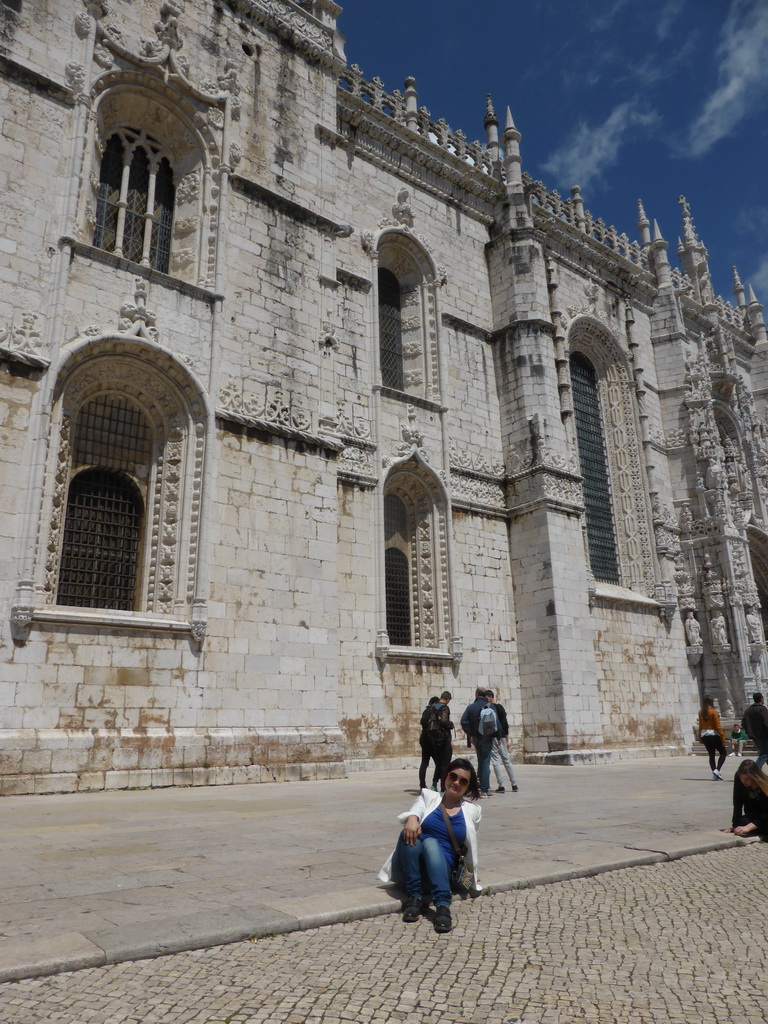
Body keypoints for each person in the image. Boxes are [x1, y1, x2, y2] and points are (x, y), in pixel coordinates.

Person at [378, 757, 482, 934]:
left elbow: (468, 847)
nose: (456, 782)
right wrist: (412, 818)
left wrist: (470, 875)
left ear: (468, 786)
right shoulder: (429, 796)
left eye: (463, 781)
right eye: (453, 776)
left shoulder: (473, 811)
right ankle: (416, 897)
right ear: (446, 776)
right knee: (410, 835)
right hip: (411, 871)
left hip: (442, 872)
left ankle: (441, 905)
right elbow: (415, 810)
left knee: (432, 844)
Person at [460, 688, 498, 798]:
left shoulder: (471, 707)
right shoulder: (490, 706)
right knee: (485, 761)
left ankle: (479, 786)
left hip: (476, 737)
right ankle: (484, 788)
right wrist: (498, 736)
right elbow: (497, 723)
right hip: (487, 737)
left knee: (480, 760)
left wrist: (470, 733)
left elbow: (463, 721)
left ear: (476, 694)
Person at [723, 759, 768, 838]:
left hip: (765, 816)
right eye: (742, 778)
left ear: (754, 777)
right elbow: (737, 802)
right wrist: (736, 827)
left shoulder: (764, 785)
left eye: (747, 779)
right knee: (742, 821)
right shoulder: (739, 777)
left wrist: (749, 827)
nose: (744, 781)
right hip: (754, 816)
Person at [418, 691, 454, 790]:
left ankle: (429, 784)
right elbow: (444, 722)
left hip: (432, 739)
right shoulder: (444, 708)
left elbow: (424, 722)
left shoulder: (431, 708)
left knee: (425, 762)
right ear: (447, 699)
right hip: (443, 739)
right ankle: (443, 786)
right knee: (444, 763)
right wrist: (450, 724)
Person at [485, 689, 518, 793]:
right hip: (503, 736)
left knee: (495, 760)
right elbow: (505, 724)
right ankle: (514, 784)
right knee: (506, 759)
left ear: (490, 697)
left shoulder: (491, 708)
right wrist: (507, 740)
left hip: (495, 736)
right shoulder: (501, 708)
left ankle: (501, 785)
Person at [698, 695, 727, 780]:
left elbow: (700, 725)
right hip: (713, 734)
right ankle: (717, 770)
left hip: (704, 734)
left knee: (711, 755)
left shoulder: (700, 712)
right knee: (723, 752)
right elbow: (717, 726)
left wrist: (699, 736)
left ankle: (715, 773)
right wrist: (723, 737)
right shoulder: (713, 712)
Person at [742, 692, 768, 768]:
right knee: (764, 754)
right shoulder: (762, 709)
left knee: (765, 753)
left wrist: (749, 733)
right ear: (761, 699)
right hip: (765, 736)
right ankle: (754, 771)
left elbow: (743, 724)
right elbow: (766, 723)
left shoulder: (748, 710)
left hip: (755, 737)